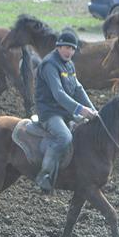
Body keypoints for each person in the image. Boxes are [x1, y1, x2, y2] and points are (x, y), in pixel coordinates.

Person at [33, 28, 97, 193]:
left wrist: (93, 110)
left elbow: (78, 88)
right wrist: (80, 110)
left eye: (72, 48)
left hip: (64, 111)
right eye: (66, 47)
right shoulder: (49, 65)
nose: (69, 51)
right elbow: (58, 93)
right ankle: (44, 176)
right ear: (58, 47)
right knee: (64, 136)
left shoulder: (69, 65)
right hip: (49, 112)